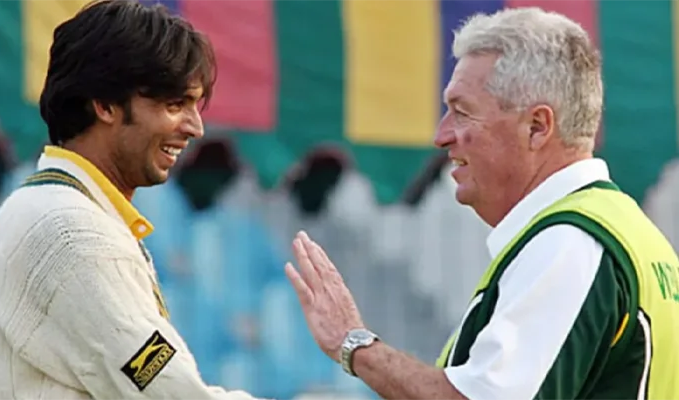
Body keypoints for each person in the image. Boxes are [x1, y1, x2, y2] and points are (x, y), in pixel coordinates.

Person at [285, 7, 679, 400]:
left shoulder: (570, 241)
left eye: (461, 112)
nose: (441, 136)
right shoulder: (629, 236)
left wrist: (354, 345)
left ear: (538, 126)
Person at [0, 1, 266, 399]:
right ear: (105, 105)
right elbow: (168, 388)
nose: (195, 128)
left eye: (195, 106)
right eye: (174, 105)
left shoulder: (48, 209)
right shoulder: (71, 233)